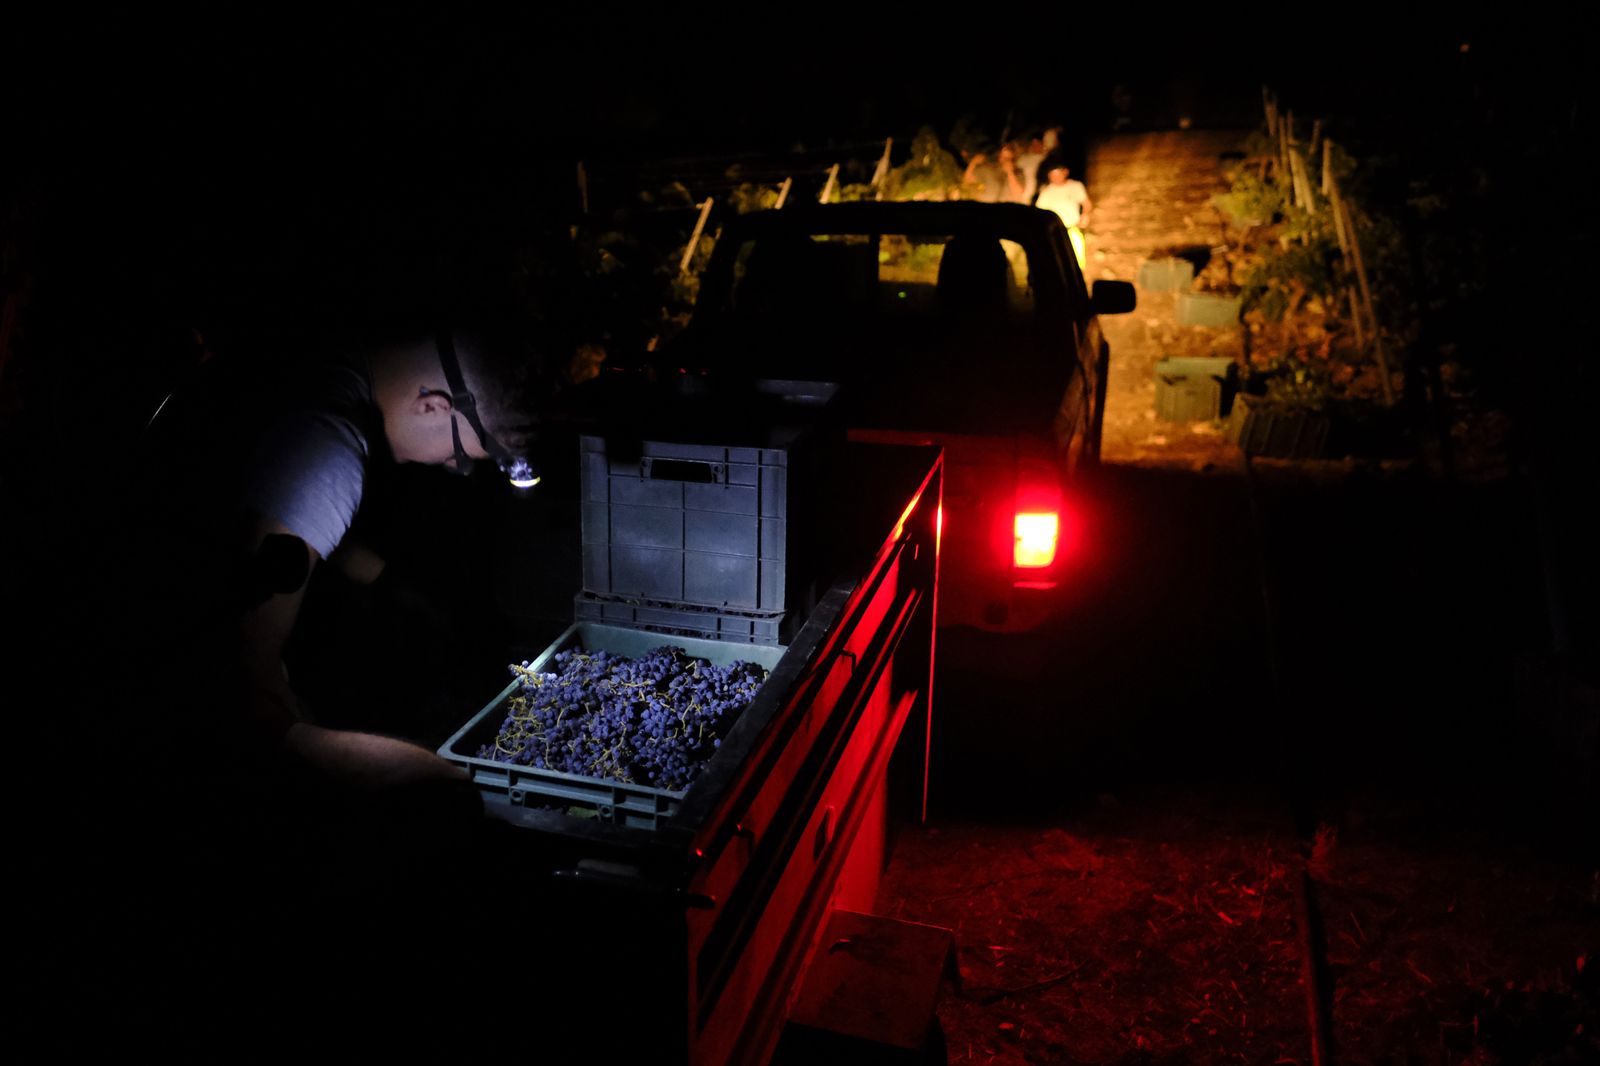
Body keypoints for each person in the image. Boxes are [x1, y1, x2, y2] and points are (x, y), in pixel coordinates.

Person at [1035, 162, 1093, 271]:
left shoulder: (1075, 186)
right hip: (1055, 232)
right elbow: (1039, 213)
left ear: (1065, 172)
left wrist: (1085, 215)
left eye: (1057, 174)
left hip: (1073, 228)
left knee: (1078, 259)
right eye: (1052, 175)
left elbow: (1086, 203)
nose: (1055, 178)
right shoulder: (1046, 192)